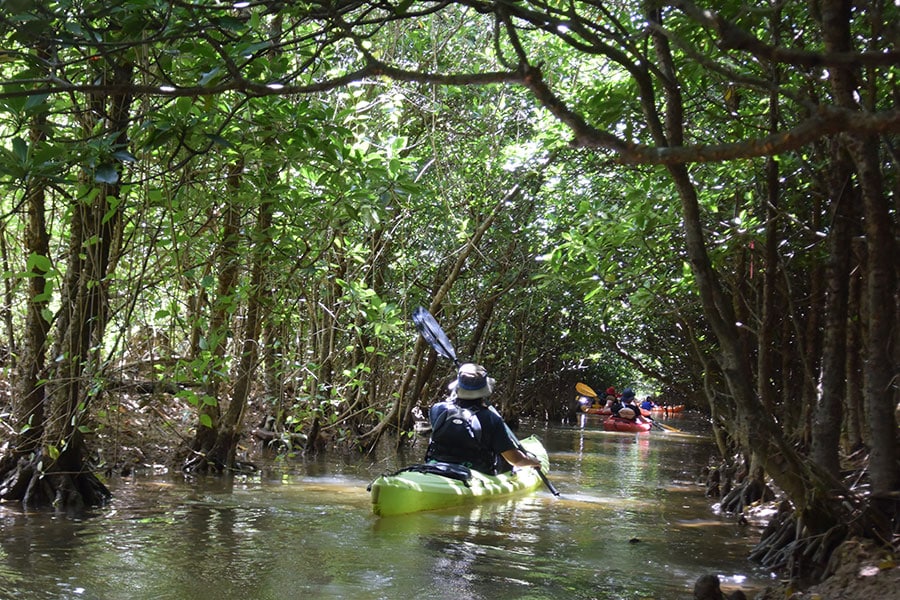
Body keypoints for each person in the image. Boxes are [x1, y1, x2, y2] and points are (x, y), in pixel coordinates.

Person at [425, 363, 542, 474]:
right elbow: (515, 460)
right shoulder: (492, 419)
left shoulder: (437, 409)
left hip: (434, 466)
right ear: (484, 391)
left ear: (457, 387)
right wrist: (532, 462)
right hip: (475, 473)